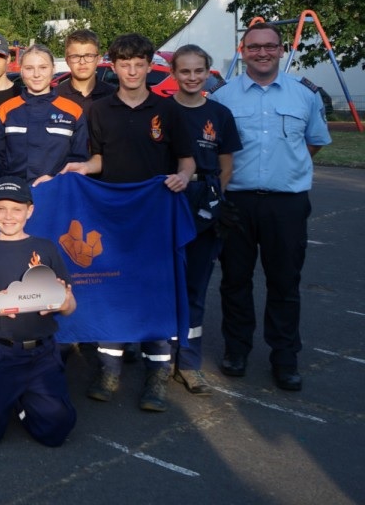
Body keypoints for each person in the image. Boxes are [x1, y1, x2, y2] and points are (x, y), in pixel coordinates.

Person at [62, 32, 194, 412]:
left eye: (139, 64)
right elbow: (99, 159)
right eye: (125, 64)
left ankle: (157, 375)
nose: (132, 71)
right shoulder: (99, 110)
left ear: (150, 66)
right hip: (111, 217)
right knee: (114, 292)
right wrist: (81, 168)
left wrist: (183, 178)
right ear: (114, 66)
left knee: (154, 293)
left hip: (155, 215)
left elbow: (186, 160)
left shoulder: (168, 110)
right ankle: (109, 371)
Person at [209, 23, 331, 392]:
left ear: (281, 50)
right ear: (242, 50)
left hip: (286, 205)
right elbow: (214, 150)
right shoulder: (224, 97)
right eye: (254, 47)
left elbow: (314, 142)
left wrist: (287, 169)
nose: (262, 53)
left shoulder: (305, 95)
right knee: (234, 282)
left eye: (270, 47)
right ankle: (237, 349)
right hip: (238, 203)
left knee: (285, 283)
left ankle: (284, 357)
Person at [0, 177, 78, 447]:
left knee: (56, 431)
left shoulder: (46, 248)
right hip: (0, 353)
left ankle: (21, 397)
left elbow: (70, 306)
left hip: (42, 354)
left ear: (30, 211)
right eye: (1, 209)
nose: (8, 216)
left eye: (17, 209)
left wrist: (64, 303)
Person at [168, 45, 241, 396]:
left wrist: (215, 201)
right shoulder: (163, 112)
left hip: (206, 203)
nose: (193, 77)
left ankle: (189, 363)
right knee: (165, 284)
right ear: (174, 73)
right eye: (185, 71)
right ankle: (161, 357)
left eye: (199, 71)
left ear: (209, 72)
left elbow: (226, 166)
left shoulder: (220, 114)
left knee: (195, 286)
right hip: (169, 202)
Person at [0, 44, 88, 185]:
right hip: (15, 198)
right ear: (21, 71)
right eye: (29, 68)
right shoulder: (6, 110)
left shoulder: (72, 111)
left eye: (43, 67)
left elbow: (79, 161)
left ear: (53, 69)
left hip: (57, 193)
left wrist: (57, 180)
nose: (36, 74)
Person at [54, 29, 116, 118]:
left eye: (89, 56)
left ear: (98, 59)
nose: (82, 62)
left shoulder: (113, 95)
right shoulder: (55, 96)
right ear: (67, 60)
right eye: (75, 56)